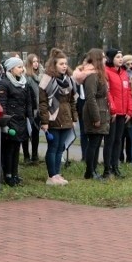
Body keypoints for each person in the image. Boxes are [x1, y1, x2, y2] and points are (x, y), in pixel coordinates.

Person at [39, 48, 76, 186]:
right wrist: (45, 121)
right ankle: (51, 175)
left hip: (66, 117)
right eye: (61, 64)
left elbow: (72, 101)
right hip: (53, 117)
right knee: (53, 147)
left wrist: (74, 118)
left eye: (65, 64)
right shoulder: (47, 80)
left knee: (61, 147)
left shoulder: (69, 80)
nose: (64, 66)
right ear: (54, 65)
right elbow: (42, 103)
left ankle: (57, 173)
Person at [73, 48, 109, 181]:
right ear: (98, 59)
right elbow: (90, 97)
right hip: (94, 112)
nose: (106, 60)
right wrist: (96, 117)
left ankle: (93, 169)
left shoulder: (98, 74)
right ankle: (90, 171)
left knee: (97, 142)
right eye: (103, 57)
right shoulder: (92, 76)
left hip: (101, 110)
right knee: (93, 144)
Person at [0, 57, 31, 186]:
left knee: (17, 148)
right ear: (11, 69)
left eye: (22, 67)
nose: (22, 69)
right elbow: (2, 103)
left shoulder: (23, 82)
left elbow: (28, 102)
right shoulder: (5, 83)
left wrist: (29, 118)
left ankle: (15, 173)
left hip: (21, 120)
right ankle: (8, 174)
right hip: (11, 120)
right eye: (19, 67)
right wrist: (5, 122)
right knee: (9, 149)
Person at [102, 48, 132, 178]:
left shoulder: (124, 73)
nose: (120, 59)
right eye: (117, 57)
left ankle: (115, 167)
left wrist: (130, 110)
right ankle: (107, 169)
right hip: (113, 113)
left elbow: (128, 92)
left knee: (118, 141)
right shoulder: (106, 72)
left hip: (123, 113)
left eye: (121, 57)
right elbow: (107, 92)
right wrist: (113, 109)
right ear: (111, 59)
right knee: (109, 141)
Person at [22, 54, 43, 164]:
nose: (36, 63)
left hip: (38, 108)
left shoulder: (41, 75)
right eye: (33, 61)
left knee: (36, 133)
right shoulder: (26, 77)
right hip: (29, 108)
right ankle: (26, 156)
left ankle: (35, 155)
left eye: (37, 61)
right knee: (26, 133)